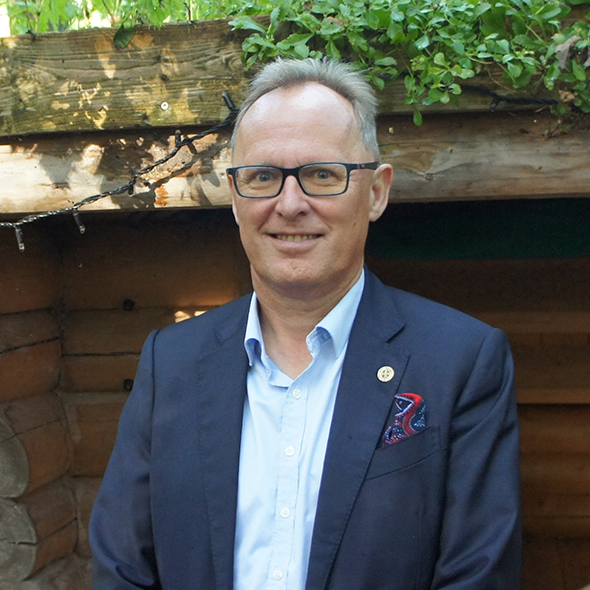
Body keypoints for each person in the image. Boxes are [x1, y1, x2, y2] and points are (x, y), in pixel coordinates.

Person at [90, 58, 521, 590]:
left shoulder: (461, 361)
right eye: (263, 177)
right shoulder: (170, 362)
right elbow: (122, 568)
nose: (289, 204)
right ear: (234, 197)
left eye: (322, 175)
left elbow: (478, 576)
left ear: (376, 192)